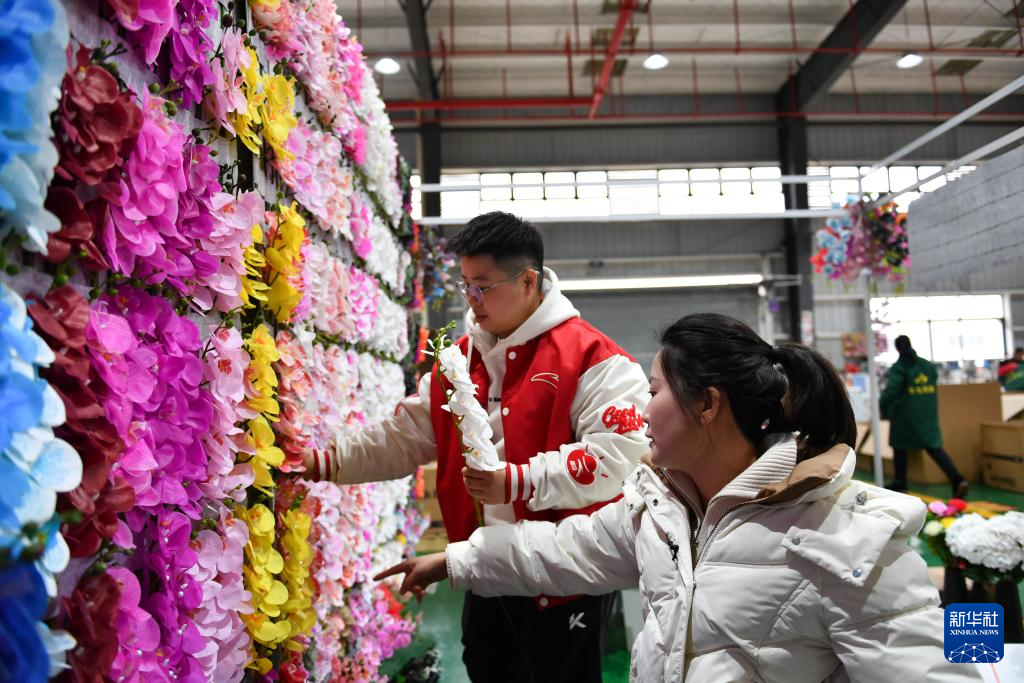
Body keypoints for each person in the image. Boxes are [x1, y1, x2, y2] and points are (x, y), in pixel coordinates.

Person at [375, 313, 978, 683]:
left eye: (657, 389)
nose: (641, 409)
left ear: (707, 406)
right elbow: (563, 548)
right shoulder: (659, 510)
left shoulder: (850, 537)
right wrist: (455, 560)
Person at [303, 211, 650, 682]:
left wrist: (515, 481)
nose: (471, 299)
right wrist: (322, 463)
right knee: (488, 669)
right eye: (466, 284)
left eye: (483, 286)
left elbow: (614, 459)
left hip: (565, 580)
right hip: (484, 570)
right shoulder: (459, 361)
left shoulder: (595, 360)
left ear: (528, 281)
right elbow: (403, 438)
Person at [880, 335, 968, 498]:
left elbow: (892, 391)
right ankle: (957, 479)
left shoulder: (899, 368)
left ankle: (900, 482)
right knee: (934, 447)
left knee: (899, 447)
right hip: (928, 413)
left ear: (897, 348)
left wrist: (882, 406)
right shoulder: (927, 366)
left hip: (905, 415)